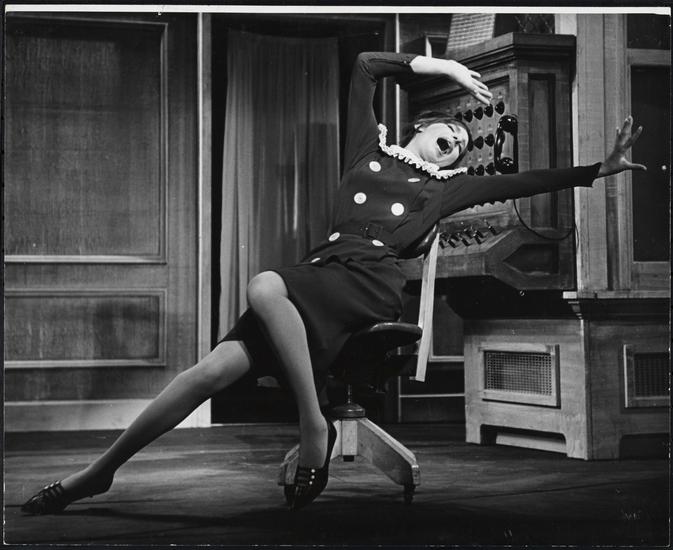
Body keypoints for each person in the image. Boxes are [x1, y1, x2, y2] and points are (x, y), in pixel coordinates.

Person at [22, 52, 645, 514]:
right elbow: (367, 67)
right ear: (421, 126)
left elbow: (525, 182)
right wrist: (447, 68)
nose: (452, 144)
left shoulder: (443, 190)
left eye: (459, 146)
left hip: (368, 283)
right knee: (207, 372)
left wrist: (600, 168)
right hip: (321, 273)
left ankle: (311, 424)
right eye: (447, 133)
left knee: (264, 284)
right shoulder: (365, 152)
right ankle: (98, 473)